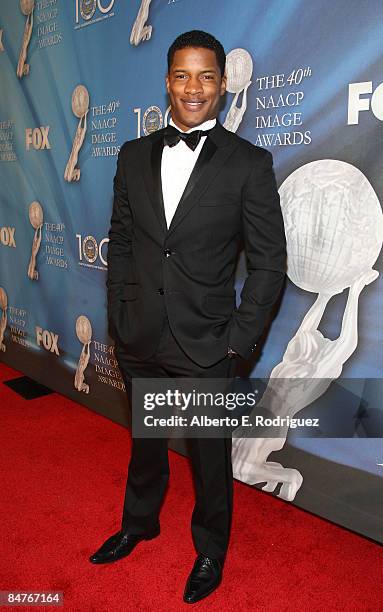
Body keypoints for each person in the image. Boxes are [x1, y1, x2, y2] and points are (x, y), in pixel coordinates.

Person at [89, 30, 287, 604]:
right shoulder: (133, 155)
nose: (193, 88)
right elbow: (121, 240)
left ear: (223, 86)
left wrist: (239, 343)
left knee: (209, 454)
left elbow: (271, 264)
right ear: (167, 81)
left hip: (208, 340)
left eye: (206, 76)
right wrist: (121, 316)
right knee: (146, 441)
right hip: (141, 331)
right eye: (182, 75)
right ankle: (139, 523)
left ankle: (210, 549)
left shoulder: (249, 163)